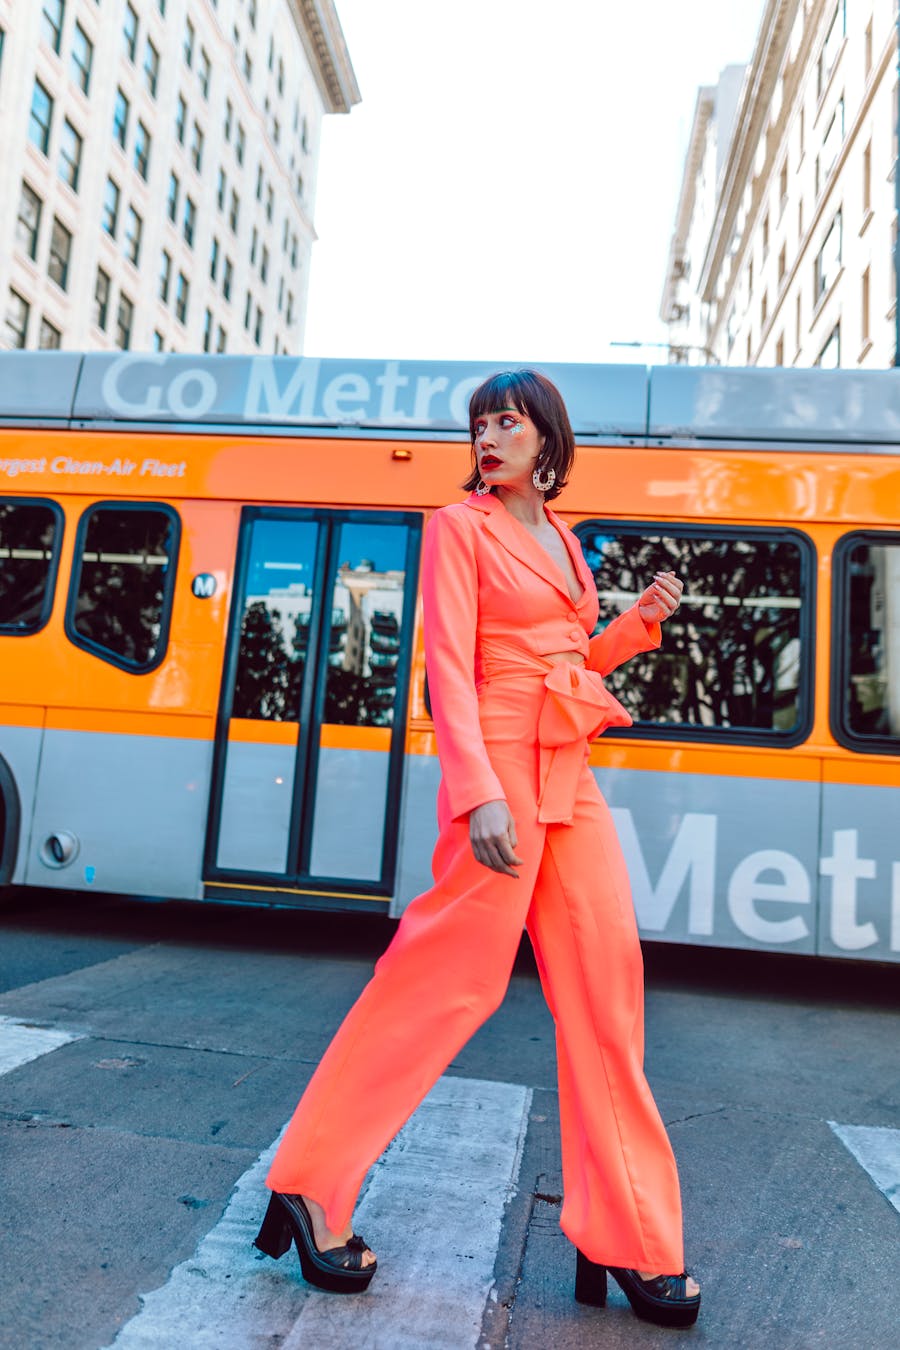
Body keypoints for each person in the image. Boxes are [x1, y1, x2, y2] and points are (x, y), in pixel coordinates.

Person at [253, 369, 700, 1328]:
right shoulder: (458, 527)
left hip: (566, 768)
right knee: (446, 981)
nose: (490, 436)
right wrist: (479, 792)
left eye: (508, 421)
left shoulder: (566, 541)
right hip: (498, 768)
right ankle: (312, 1181)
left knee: (606, 986)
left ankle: (628, 1236)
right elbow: (447, 668)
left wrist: (639, 622)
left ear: (547, 438)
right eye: (481, 423)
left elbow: (569, 666)